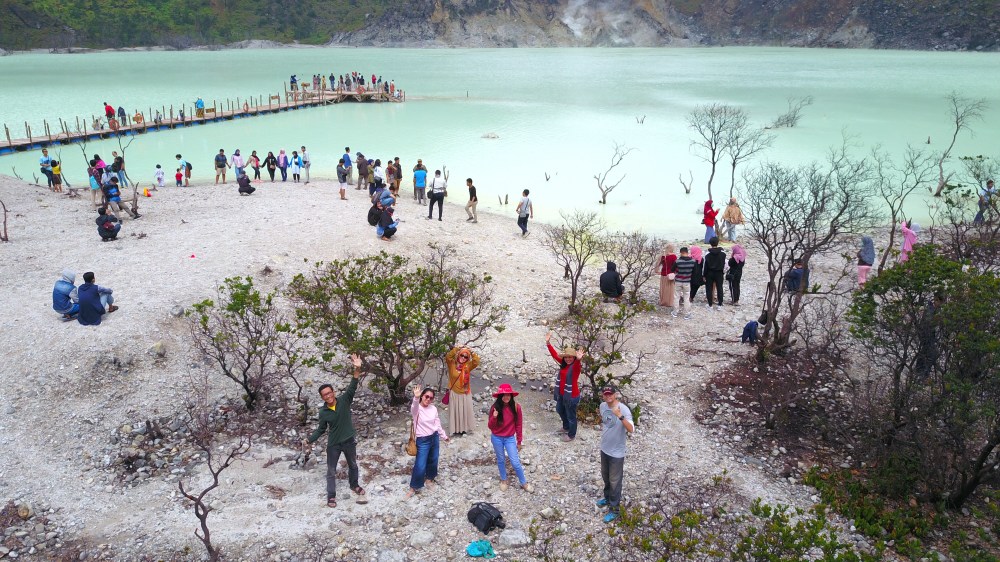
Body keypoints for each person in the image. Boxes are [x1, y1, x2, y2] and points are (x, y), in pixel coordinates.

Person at [302, 354, 367, 509]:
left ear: (333, 392)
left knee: (353, 465)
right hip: (334, 444)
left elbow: (353, 384)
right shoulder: (323, 412)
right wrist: (309, 440)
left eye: (329, 392)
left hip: (349, 440)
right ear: (322, 397)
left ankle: (354, 485)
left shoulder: (344, 400)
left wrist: (357, 368)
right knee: (331, 471)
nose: (328, 396)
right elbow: (321, 429)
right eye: (325, 395)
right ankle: (331, 495)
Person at [596, 383, 634, 523]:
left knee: (615, 481)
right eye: (605, 394)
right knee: (605, 476)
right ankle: (607, 498)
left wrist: (620, 416)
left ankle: (615, 509)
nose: (608, 397)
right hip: (605, 448)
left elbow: (631, 429)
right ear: (603, 395)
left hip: (617, 453)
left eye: (610, 394)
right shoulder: (602, 406)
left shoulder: (623, 409)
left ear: (615, 394)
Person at [407, 385, 449, 498]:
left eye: (431, 398)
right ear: (422, 396)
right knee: (420, 464)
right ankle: (413, 487)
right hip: (423, 440)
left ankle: (429, 479)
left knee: (433, 459)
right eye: (426, 396)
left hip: (434, 437)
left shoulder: (433, 408)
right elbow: (414, 408)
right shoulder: (417, 409)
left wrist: (443, 435)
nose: (428, 399)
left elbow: (437, 423)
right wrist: (416, 397)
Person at [488, 383, 532, 492]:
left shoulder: (516, 407)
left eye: (508, 395)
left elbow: (519, 425)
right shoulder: (495, 408)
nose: (506, 397)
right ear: (500, 396)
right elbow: (490, 426)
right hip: (496, 437)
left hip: (509, 438)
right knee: (501, 459)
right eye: (503, 395)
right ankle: (504, 479)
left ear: (511, 396)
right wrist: (494, 417)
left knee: (515, 462)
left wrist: (519, 441)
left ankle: (524, 483)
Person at [546, 332, 584, 442]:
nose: (568, 359)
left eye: (570, 357)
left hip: (571, 396)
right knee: (559, 409)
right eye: (566, 357)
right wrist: (548, 343)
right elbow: (554, 355)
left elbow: (577, 365)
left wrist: (578, 359)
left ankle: (571, 435)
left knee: (571, 416)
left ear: (574, 358)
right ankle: (566, 427)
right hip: (563, 394)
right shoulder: (564, 364)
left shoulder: (575, 367)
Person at [446, 346, 479, 436]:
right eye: (462, 355)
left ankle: (464, 429)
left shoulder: (468, 366)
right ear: (458, 355)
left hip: (465, 393)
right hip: (454, 393)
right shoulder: (452, 364)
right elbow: (448, 356)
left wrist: (472, 352)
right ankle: (455, 429)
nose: (463, 358)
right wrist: (457, 349)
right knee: (455, 412)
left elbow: (476, 362)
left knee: (464, 412)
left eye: (466, 357)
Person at [703, 237, 726, 309]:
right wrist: (724, 271)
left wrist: (703, 275)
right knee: (720, 288)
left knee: (709, 288)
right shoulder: (723, 253)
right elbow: (725, 264)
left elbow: (705, 265)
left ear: (710, 244)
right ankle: (720, 304)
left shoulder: (707, 254)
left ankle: (710, 304)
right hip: (719, 272)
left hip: (709, 273)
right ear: (718, 243)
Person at [673, 246, 695, 319]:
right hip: (687, 281)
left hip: (678, 281)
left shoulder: (677, 261)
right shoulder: (693, 261)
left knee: (676, 296)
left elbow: (672, 269)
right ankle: (687, 313)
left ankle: (675, 312)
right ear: (687, 253)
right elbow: (694, 272)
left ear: (681, 253)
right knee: (686, 297)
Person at [657, 244, 677, 308]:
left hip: (663, 274)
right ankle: (669, 302)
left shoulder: (663, 256)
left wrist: (657, 271)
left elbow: (657, 264)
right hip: (670, 275)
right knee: (670, 289)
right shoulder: (674, 256)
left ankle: (663, 301)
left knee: (663, 289)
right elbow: (676, 266)